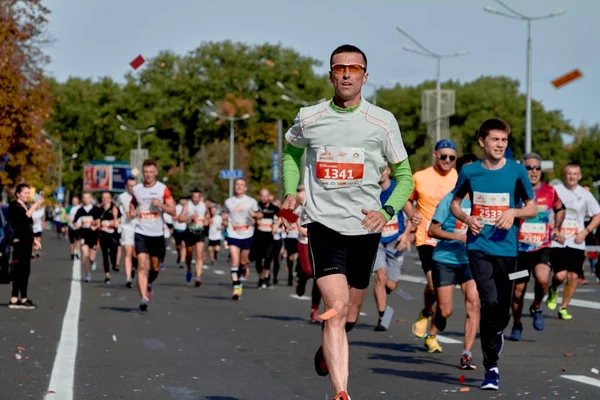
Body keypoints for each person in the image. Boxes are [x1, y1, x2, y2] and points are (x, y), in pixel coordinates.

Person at [280, 44, 413, 400]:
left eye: (354, 68)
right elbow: (291, 152)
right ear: (331, 75)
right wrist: (291, 189)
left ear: (365, 77)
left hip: (365, 228)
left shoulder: (382, 122)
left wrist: (386, 212)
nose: (347, 74)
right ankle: (342, 391)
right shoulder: (310, 116)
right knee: (335, 308)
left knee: (351, 311)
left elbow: (405, 177)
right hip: (323, 224)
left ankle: (328, 352)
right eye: (340, 68)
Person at [450, 118, 537, 390]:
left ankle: (498, 332)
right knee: (487, 301)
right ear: (482, 142)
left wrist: (513, 212)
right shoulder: (470, 172)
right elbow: (454, 204)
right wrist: (466, 217)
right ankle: (491, 368)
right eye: (495, 140)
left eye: (504, 140)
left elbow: (532, 208)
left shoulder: (517, 171)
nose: (500, 145)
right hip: (478, 247)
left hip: (508, 251)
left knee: (503, 309)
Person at [404, 139, 458, 351]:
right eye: (443, 156)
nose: (447, 161)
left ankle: (432, 334)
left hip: (451, 238)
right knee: (434, 284)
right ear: (435, 154)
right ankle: (427, 311)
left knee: (444, 295)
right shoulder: (420, 177)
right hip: (426, 237)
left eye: (451, 158)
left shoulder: (459, 178)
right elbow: (406, 199)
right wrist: (413, 213)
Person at [428, 154, 480, 369]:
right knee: (445, 311)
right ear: (460, 174)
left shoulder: (482, 201)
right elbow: (432, 229)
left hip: (471, 261)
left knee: (473, 305)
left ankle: (467, 353)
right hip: (445, 259)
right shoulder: (449, 200)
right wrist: (458, 236)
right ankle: (433, 330)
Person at [508, 153, 565, 341]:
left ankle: (537, 306)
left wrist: (557, 228)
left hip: (542, 248)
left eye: (537, 168)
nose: (533, 171)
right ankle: (517, 323)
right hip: (519, 251)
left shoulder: (550, 191)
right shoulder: (515, 190)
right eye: (529, 168)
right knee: (517, 292)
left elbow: (560, 208)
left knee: (542, 278)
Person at [546, 163, 600, 320]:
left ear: (580, 176)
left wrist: (585, 232)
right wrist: (554, 229)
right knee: (560, 275)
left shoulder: (585, 194)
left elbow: (598, 215)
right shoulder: (556, 191)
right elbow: (547, 213)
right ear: (564, 174)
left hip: (577, 240)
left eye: (575, 174)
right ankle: (554, 289)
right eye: (569, 173)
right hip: (558, 240)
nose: (572, 176)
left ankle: (564, 307)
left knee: (574, 277)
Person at [129, 159, 176, 311]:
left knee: (155, 268)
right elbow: (133, 202)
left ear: (156, 173)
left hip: (157, 234)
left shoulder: (163, 189)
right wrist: (131, 210)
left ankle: (148, 284)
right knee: (142, 265)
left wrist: (160, 205)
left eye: (151, 172)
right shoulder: (137, 189)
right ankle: (143, 298)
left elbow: (173, 210)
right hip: (141, 231)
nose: (148, 175)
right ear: (142, 173)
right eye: (146, 172)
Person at [373, 166, 412, 331]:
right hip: (377, 241)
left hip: (396, 241)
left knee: (390, 285)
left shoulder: (397, 189)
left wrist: (407, 234)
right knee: (380, 277)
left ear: (389, 170)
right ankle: (383, 316)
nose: (381, 172)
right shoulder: (371, 190)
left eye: (383, 169)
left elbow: (413, 215)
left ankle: (385, 302)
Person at [8, 184, 45, 309]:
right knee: (19, 269)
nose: (27, 195)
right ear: (18, 193)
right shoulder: (14, 206)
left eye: (28, 193)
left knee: (25, 270)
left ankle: (22, 297)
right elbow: (22, 219)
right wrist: (35, 206)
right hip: (19, 242)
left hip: (27, 241)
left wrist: (35, 239)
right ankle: (17, 298)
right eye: (24, 193)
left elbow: (28, 226)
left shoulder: (26, 206)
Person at [223, 179, 260, 300]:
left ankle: (243, 268)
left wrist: (255, 216)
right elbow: (225, 213)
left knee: (244, 261)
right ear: (234, 187)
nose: (239, 187)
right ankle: (236, 286)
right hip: (233, 233)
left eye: (242, 185)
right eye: (237, 185)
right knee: (234, 259)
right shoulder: (228, 202)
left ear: (245, 188)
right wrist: (224, 220)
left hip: (247, 234)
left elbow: (259, 214)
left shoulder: (251, 201)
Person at [178, 189, 208, 286]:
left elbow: (208, 215)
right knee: (189, 254)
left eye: (197, 197)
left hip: (200, 231)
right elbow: (180, 218)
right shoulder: (187, 205)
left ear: (200, 197)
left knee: (199, 254)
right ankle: (189, 269)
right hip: (189, 231)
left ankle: (198, 277)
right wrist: (189, 218)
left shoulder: (203, 205)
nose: (195, 199)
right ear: (191, 197)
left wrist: (207, 220)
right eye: (193, 197)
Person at [252, 188, 280, 289]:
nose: (264, 198)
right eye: (262, 196)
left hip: (269, 237)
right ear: (260, 197)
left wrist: (277, 224)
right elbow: (248, 214)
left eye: (266, 196)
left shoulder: (274, 208)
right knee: (258, 259)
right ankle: (260, 278)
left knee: (268, 258)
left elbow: (288, 216)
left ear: (269, 197)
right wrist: (254, 216)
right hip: (258, 236)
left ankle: (267, 277)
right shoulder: (256, 206)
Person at [74, 192, 102, 282]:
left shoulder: (96, 209)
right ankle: (87, 274)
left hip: (93, 234)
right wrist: (77, 225)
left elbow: (99, 222)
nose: (86, 200)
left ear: (91, 198)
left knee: (91, 256)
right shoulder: (80, 210)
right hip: (83, 234)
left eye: (88, 198)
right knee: (85, 254)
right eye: (84, 198)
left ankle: (92, 262)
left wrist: (95, 226)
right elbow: (75, 221)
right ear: (82, 199)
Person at [116, 178, 137, 288]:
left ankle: (134, 267)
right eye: (130, 186)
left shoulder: (140, 196)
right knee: (127, 251)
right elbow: (116, 207)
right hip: (126, 227)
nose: (132, 188)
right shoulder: (122, 197)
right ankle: (128, 278)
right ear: (126, 186)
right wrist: (116, 219)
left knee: (136, 254)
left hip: (139, 227)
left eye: (134, 186)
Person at [98, 192, 120, 285]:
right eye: (103, 197)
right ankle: (107, 275)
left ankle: (114, 264)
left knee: (113, 254)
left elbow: (120, 218)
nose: (105, 199)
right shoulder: (99, 209)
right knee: (105, 255)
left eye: (107, 198)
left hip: (113, 235)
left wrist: (114, 221)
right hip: (103, 235)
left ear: (110, 199)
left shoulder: (114, 209)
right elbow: (96, 220)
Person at [173, 197, 188, 269]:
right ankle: (179, 254)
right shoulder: (176, 207)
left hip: (185, 229)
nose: (183, 201)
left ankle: (182, 261)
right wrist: (179, 217)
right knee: (178, 246)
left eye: (184, 200)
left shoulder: (188, 207)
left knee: (184, 245)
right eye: (182, 200)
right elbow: (173, 218)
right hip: (177, 228)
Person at [67, 196, 81, 260]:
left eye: (76, 200)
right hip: (71, 226)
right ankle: (72, 253)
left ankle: (77, 253)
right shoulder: (69, 208)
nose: (74, 202)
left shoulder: (80, 208)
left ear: (78, 201)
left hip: (78, 227)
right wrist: (72, 222)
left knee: (78, 241)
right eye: (73, 200)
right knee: (71, 242)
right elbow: (65, 216)